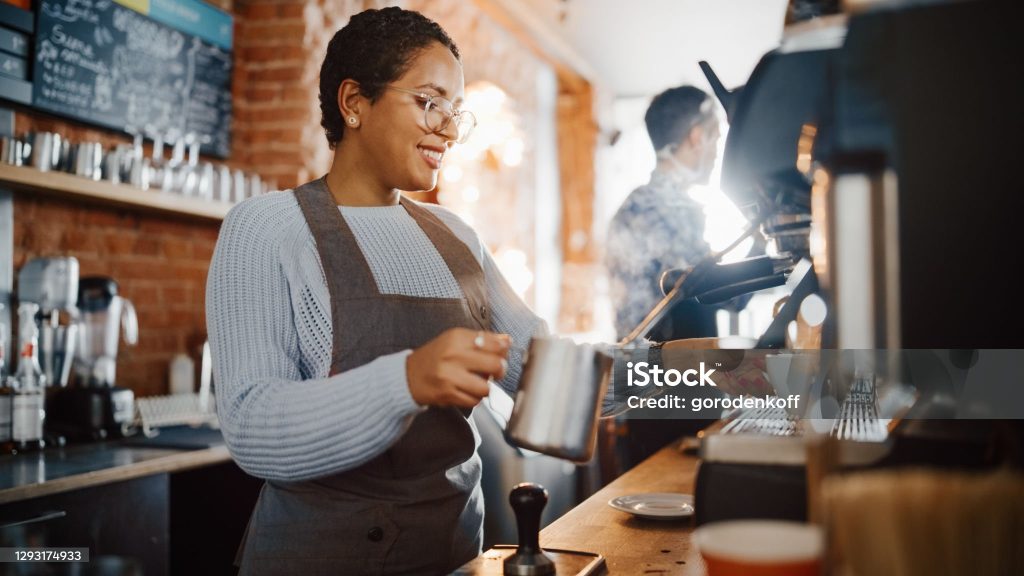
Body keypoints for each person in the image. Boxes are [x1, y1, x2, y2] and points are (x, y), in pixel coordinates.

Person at [604, 86, 723, 470]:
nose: (717, 150)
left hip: (637, 390)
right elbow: (720, 292)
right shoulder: (675, 209)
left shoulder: (633, 205)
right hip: (672, 398)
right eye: (716, 137)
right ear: (696, 136)